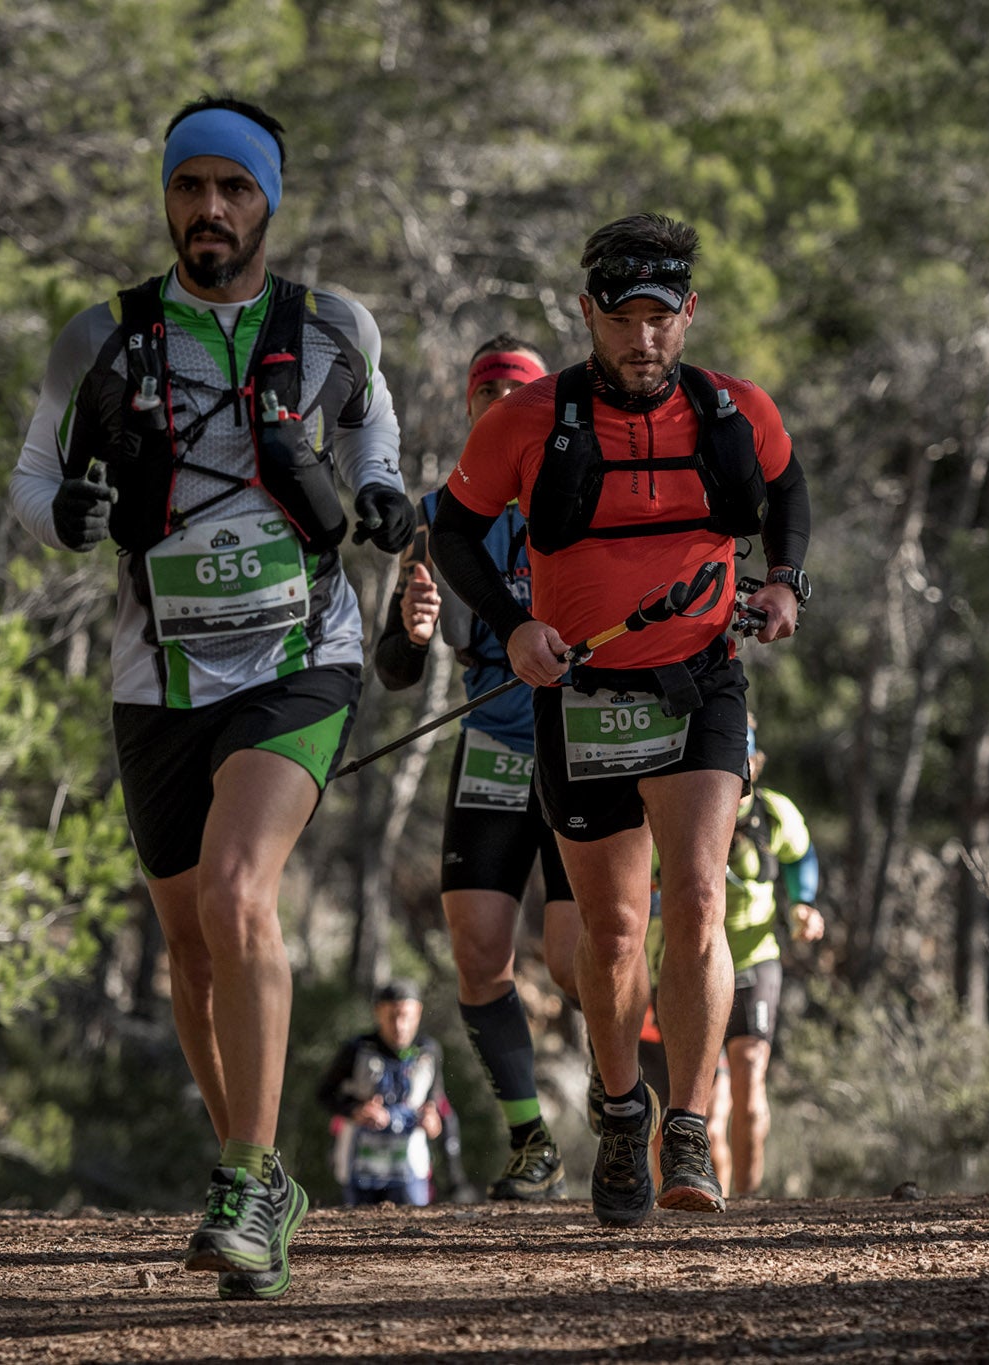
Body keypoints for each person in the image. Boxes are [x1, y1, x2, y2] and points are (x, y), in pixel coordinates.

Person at [9, 95, 414, 1301]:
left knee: (241, 893)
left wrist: (386, 502)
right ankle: (258, 1175)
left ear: (266, 205)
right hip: (157, 673)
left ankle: (245, 1182)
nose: (209, 211)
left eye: (233, 191)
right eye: (190, 189)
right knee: (189, 946)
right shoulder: (98, 338)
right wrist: (71, 517)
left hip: (302, 654)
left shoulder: (335, 327)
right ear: (168, 200)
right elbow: (34, 483)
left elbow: (377, 448)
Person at [429, 213, 813, 1227]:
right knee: (609, 931)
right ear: (586, 312)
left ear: (687, 314)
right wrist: (511, 627)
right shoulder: (526, 420)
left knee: (693, 894)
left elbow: (785, 490)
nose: (640, 340)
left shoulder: (734, 412)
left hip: (700, 682)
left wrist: (785, 584)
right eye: (620, 318)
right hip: (579, 698)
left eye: (659, 318)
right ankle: (616, 1108)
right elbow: (452, 532)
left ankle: (684, 1126)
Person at [373, 336, 578, 1202]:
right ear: (470, 411)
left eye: (517, 396)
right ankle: (531, 1138)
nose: (500, 409)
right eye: (485, 397)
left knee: (578, 959)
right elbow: (395, 668)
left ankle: (622, 1111)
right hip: (491, 743)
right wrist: (412, 632)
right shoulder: (436, 516)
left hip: (581, 747)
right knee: (479, 951)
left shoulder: (577, 496)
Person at [698, 722, 826, 1194]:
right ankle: (715, 1208)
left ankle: (750, 1207)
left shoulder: (775, 814)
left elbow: (800, 856)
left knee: (751, 1093)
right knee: (710, 1116)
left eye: (744, 765)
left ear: (755, 763)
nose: (738, 774)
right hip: (698, 964)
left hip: (756, 958)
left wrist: (803, 903)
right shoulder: (687, 808)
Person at [317, 980, 456, 1206]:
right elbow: (324, 1094)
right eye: (392, 1016)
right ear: (378, 1013)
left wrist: (433, 1119)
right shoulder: (358, 1049)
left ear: (418, 1012)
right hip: (359, 1169)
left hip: (410, 1169)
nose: (399, 1025)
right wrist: (355, 1109)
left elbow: (436, 1101)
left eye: (406, 1016)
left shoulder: (429, 1051)